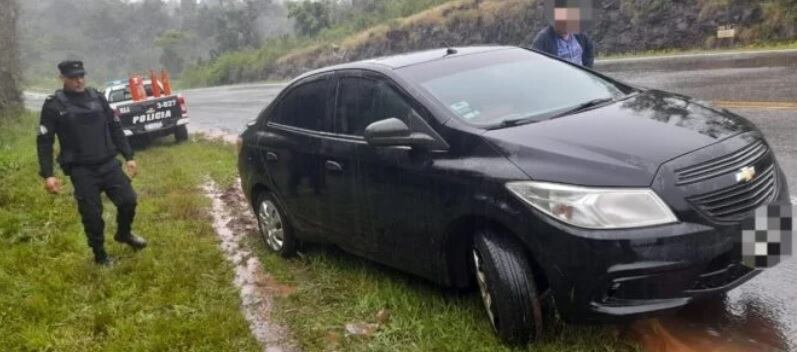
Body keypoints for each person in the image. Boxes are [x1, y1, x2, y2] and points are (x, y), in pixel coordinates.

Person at [36, 60, 147, 265]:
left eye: (81, 76)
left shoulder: (98, 97)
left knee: (128, 201)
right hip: (81, 169)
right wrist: (48, 174)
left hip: (108, 163)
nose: (78, 81)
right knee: (92, 216)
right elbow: (44, 141)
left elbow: (115, 127)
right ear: (62, 78)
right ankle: (100, 255)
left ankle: (124, 233)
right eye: (73, 78)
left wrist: (129, 156)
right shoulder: (54, 105)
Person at [531, 2, 595, 68]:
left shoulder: (580, 34)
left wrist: (588, 69)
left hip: (579, 76)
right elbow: (535, 63)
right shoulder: (543, 39)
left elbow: (589, 51)